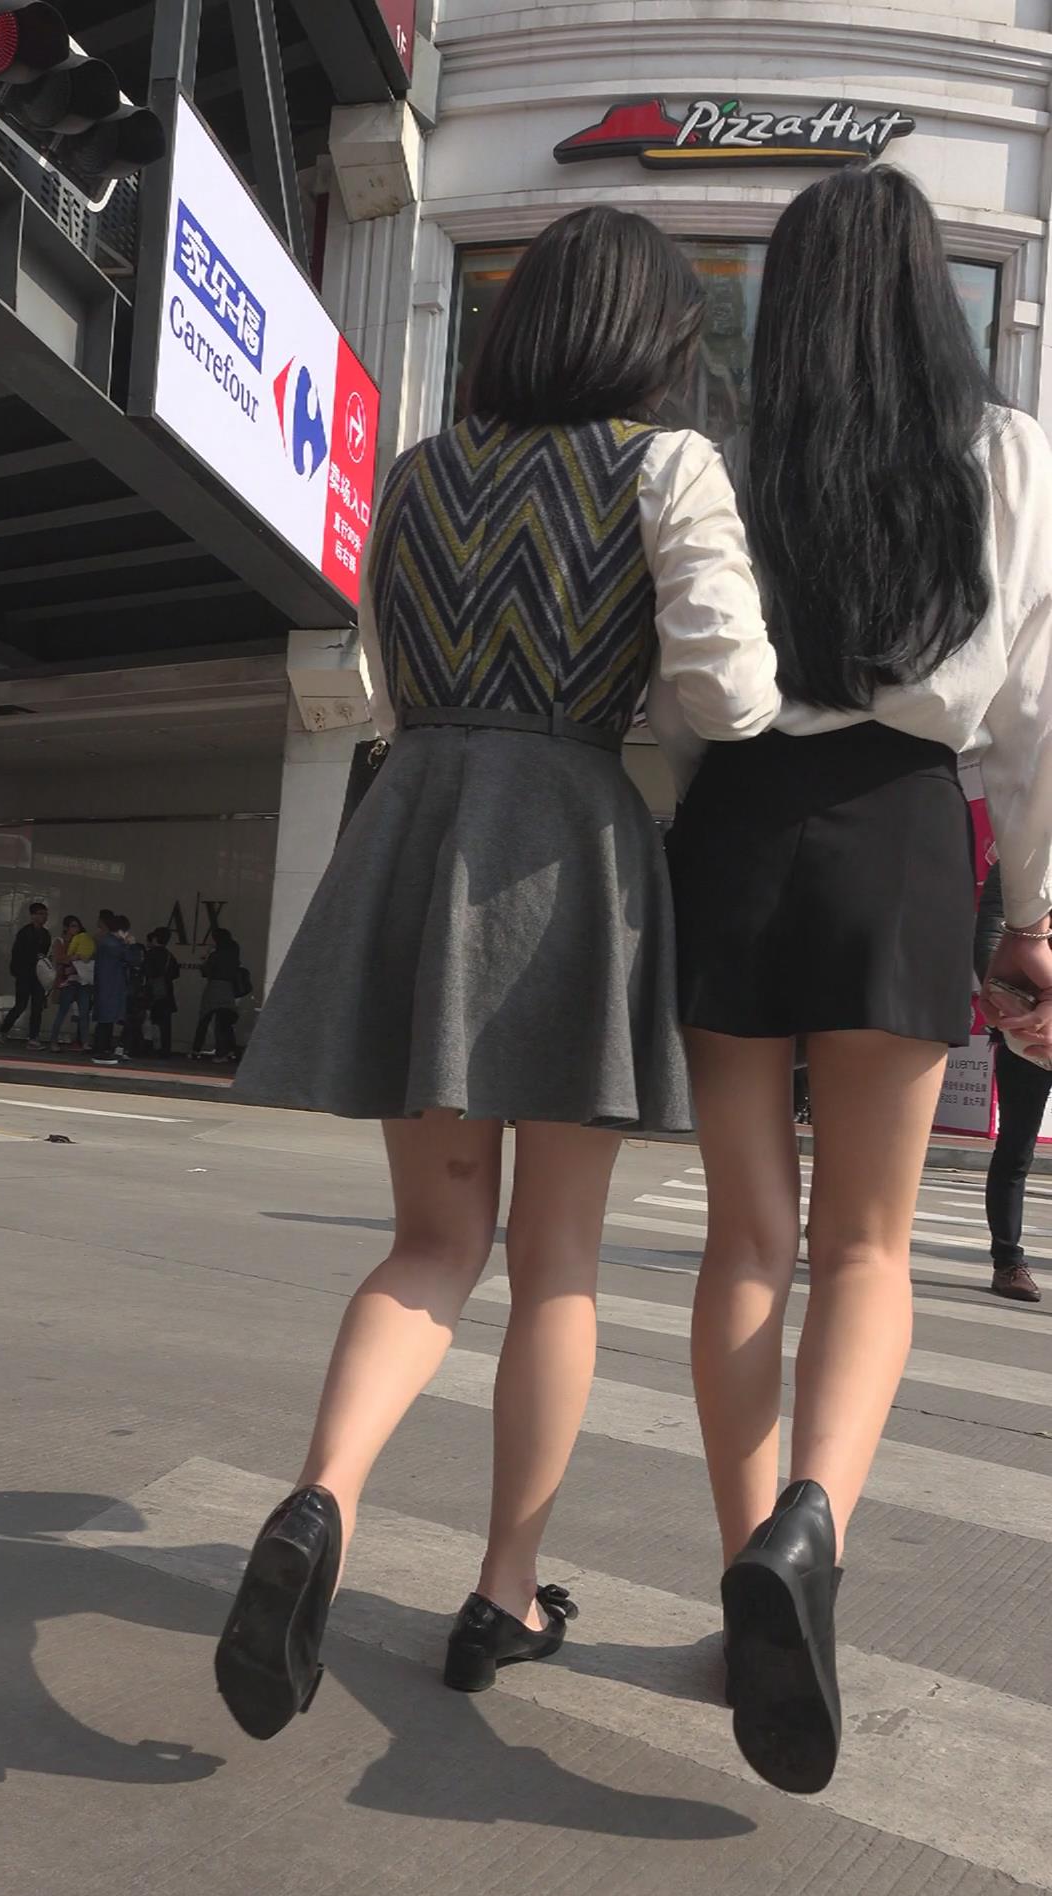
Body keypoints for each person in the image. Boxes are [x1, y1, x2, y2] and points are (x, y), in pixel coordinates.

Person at [215, 203, 779, 1742]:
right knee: (558, 1261)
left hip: (419, 826)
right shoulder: (665, 464)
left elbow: (384, 673)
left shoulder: (414, 473)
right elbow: (730, 696)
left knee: (432, 1239)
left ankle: (322, 1500)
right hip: (569, 846)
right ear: (653, 334)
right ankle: (505, 1594)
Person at [659, 167, 1052, 1797]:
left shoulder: (727, 456)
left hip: (737, 829)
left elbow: (679, 686)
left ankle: (748, 1567)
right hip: (905, 834)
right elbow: (1034, 721)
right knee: (872, 1244)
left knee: (748, 1238)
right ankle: (814, 1531)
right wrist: (1032, 914)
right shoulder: (1011, 454)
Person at [975, 860, 1046, 1302]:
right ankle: (1008, 1261)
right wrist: (1008, 1006)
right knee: (1016, 1149)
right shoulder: (1024, 855)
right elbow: (989, 935)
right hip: (1028, 1027)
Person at [0, 902, 51, 1048]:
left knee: (37, 1007)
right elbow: (17, 953)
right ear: (33, 916)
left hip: (39, 975)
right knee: (21, 1005)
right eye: (41, 914)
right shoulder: (25, 932)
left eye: (45, 914)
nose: (44, 917)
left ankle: (33, 1037)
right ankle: (3, 1031)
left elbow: (45, 954)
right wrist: (19, 971)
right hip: (25, 974)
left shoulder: (46, 934)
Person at [190, 927, 242, 1063]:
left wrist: (207, 957)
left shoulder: (215, 954)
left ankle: (197, 1049)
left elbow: (206, 971)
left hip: (214, 987)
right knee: (224, 1022)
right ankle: (228, 1050)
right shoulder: (234, 953)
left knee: (205, 1018)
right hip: (228, 988)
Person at [48, 916, 96, 1052]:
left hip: (82, 980)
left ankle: (84, 1042)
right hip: (67, 981)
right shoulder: (60, 941)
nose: (76, 929)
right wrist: (73, 958)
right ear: (66, 928)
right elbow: (59, 958)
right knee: (62, 1012)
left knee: (84, 1012)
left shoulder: (83, 940)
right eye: (73, 926)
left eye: (77, 926)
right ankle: (53, 1041)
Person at [92, 911, 129, 1065]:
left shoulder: (107, 942)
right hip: (110, 987)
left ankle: (102, 1050)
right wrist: (129, 944)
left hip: (106, 987)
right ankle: (102, 1052)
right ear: (121, 930)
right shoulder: (113, 945)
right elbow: (131, 958)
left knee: (105, 1021)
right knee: (106, 1021)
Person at [144, 928, 181, 1060]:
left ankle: (149, 1047)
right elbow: (176, 973)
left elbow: (146, 971)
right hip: (166, 990)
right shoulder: (169, 955)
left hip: (152, 991)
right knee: (165, 1024)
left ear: (155, 939)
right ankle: (164, 1049)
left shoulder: (150, 954)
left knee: (149, 1020)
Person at [114, 916, 148, 1059]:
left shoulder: (131, 965)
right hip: (135, 995)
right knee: (134, 1023)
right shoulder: (135, 966)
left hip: (133, 995)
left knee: (132, 1023)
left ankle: (126, 1047)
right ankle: (129, 1048)